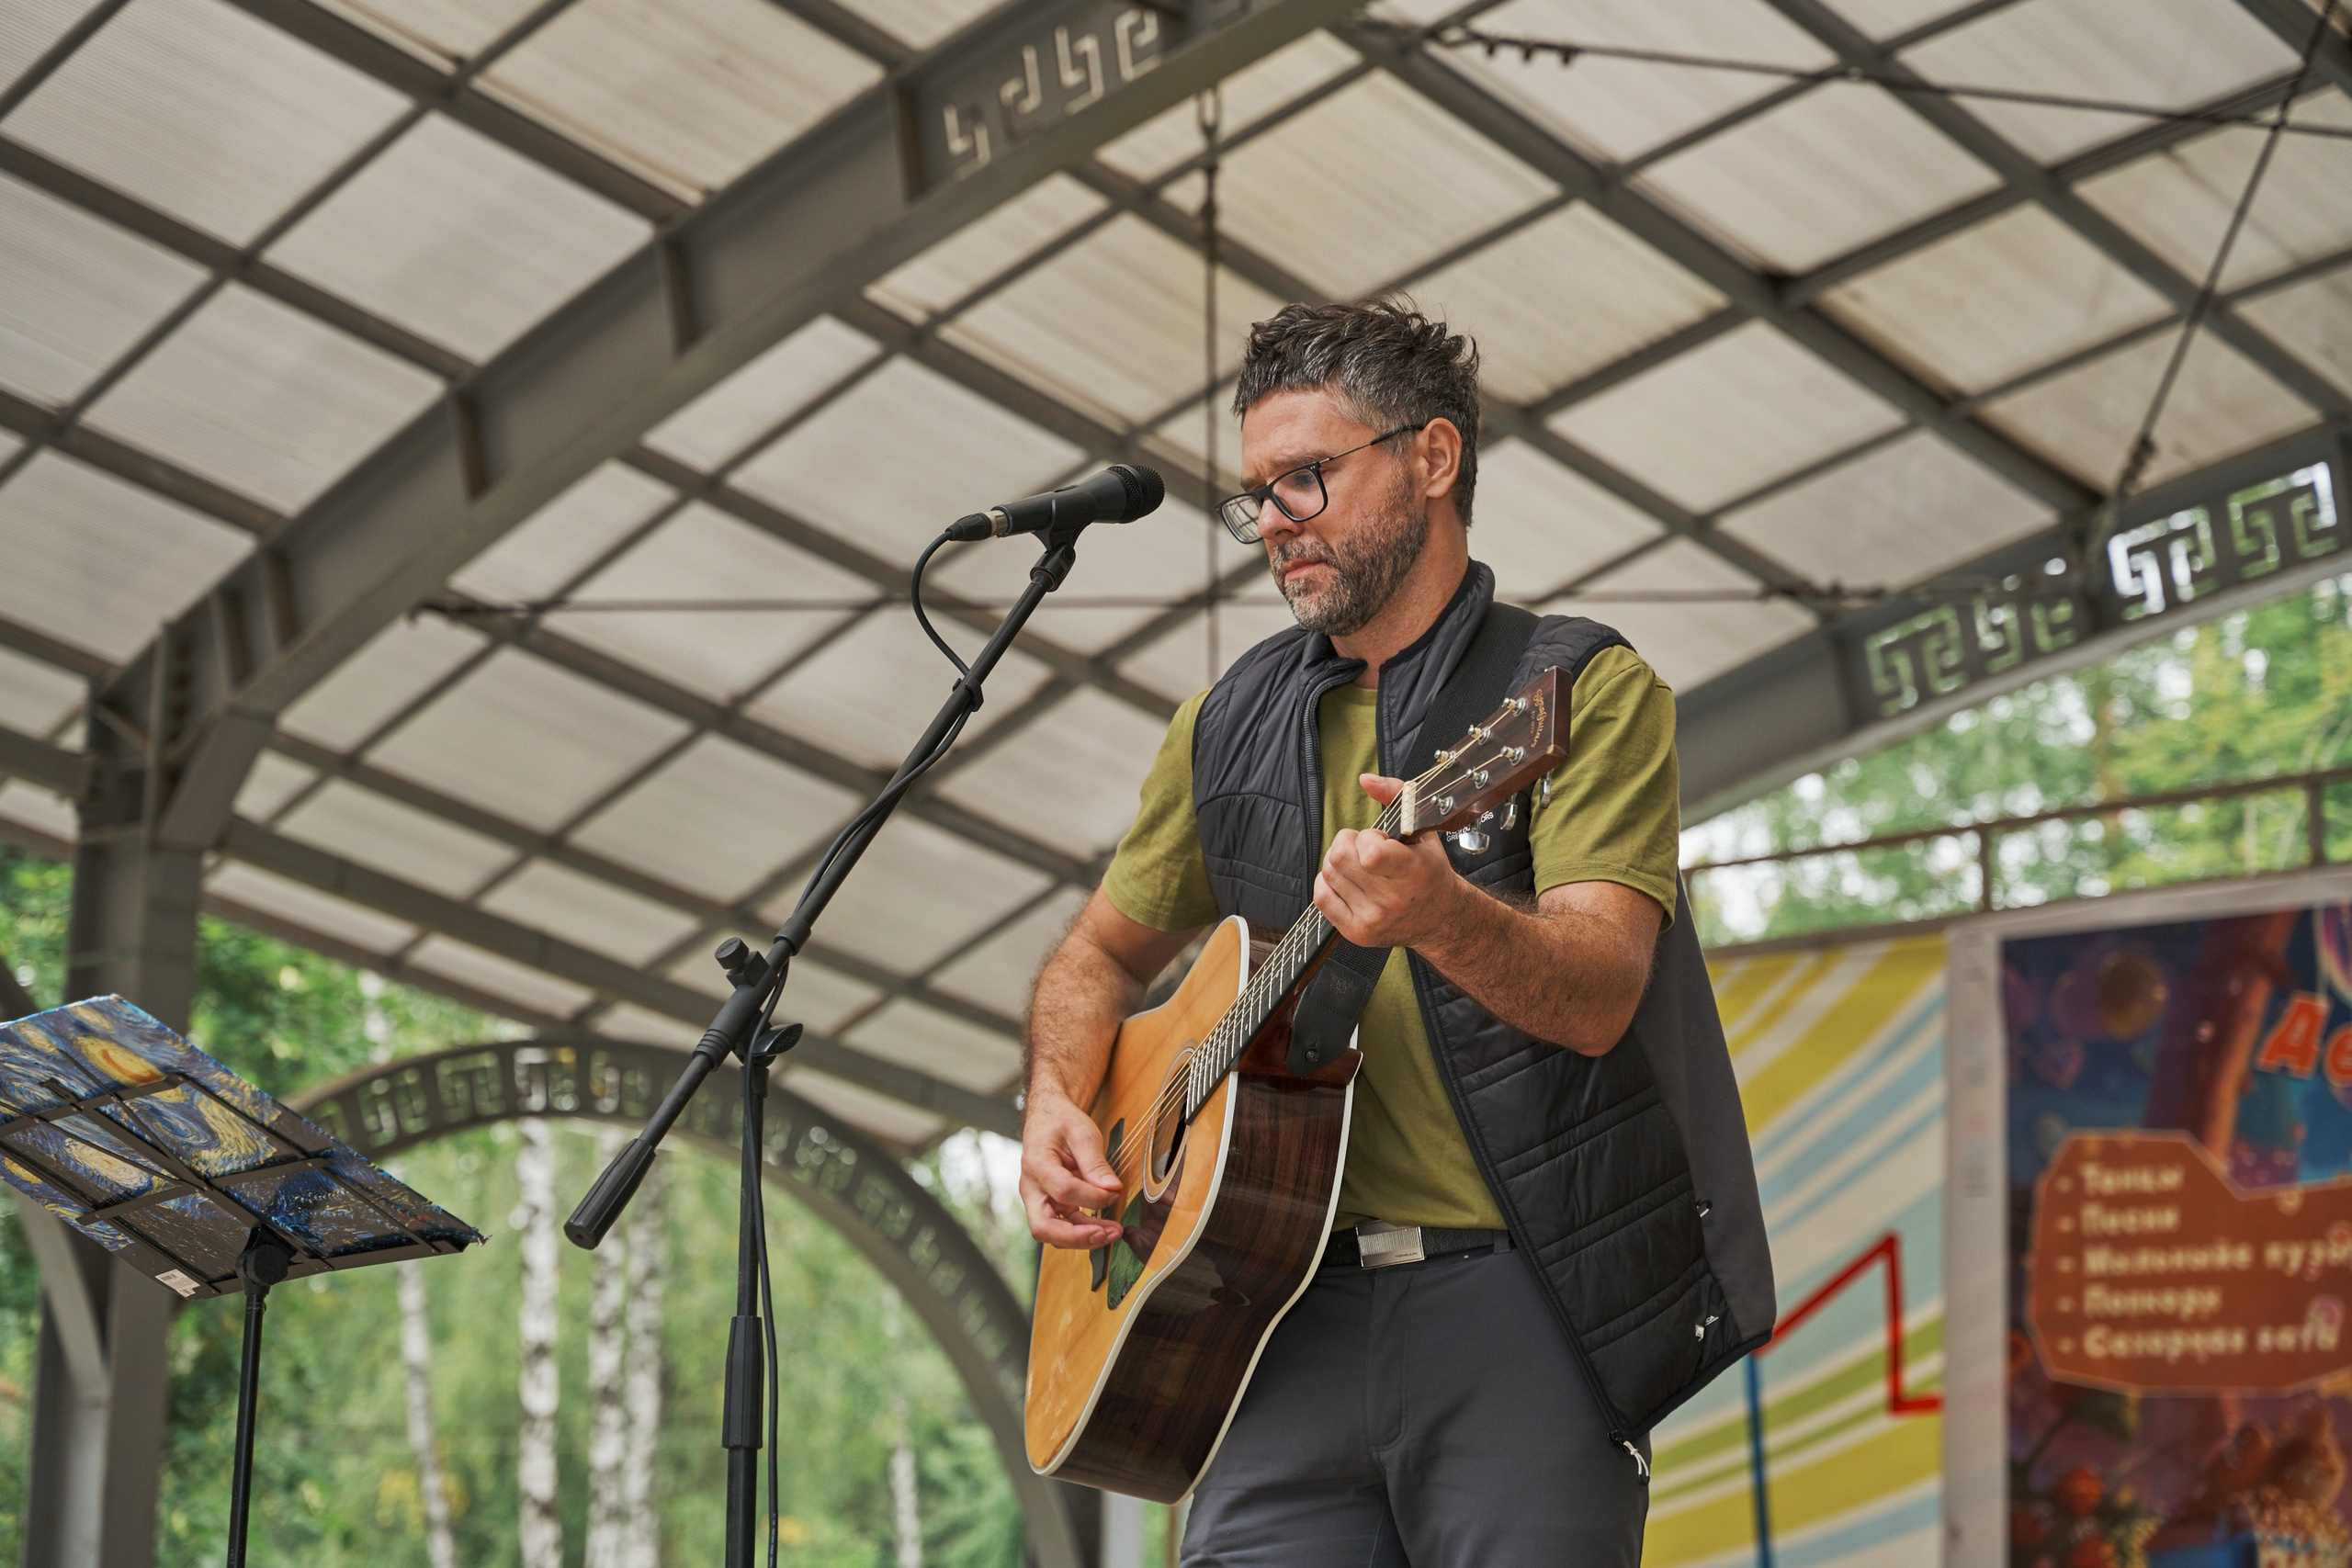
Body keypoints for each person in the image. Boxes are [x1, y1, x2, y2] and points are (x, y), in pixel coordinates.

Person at [1019, 299, 1772, 1566]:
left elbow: (1601, 990)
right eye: (1255, 495)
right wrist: (1056, 1097)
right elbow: (1095, 958)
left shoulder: (1575, 692)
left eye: (1305, 477)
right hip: (1267, 1318)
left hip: (1520, 1305)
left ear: (1432, 457)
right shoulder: (1223, 724)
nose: (1273, 520)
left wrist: (1443, 915)